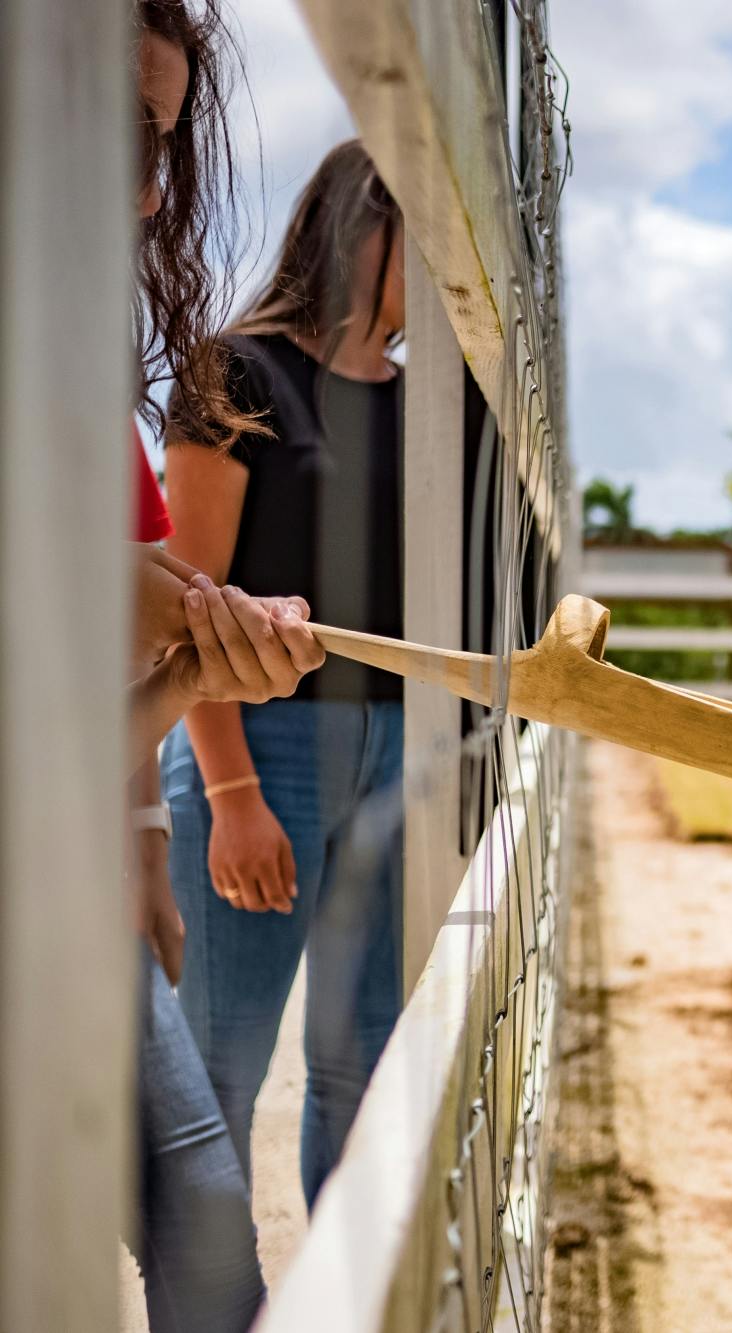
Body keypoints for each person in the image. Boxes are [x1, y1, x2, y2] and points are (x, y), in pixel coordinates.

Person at [122, 5, 328, 1331]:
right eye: (126, 131)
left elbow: (121, 655)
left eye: (161, 145)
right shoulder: (233, 378)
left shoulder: (75, 388)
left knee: (201, 1208)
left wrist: (139, 828)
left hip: (74, 857)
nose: (149, 188)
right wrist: (218, 759)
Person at [163, 138, 407, 1211]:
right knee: (221, 1074)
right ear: (367, 226)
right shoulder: (235, 371)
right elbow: (186, 605)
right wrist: (231, 795)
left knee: (364, 1071)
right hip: (261, 742)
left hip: (402, 752)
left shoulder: (441, 402)